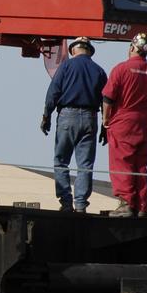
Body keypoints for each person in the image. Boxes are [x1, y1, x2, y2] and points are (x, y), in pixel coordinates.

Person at [41, 36, 108, 212]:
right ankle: (80, 205)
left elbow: (53, 93)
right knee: (85, 164)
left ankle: (66, 203)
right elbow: (107, 101)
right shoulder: (99, 71)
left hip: (67, 116)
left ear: (73, 50)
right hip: (90, 118)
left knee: (61, 161)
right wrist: (105, 126)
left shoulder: (66, 66)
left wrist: (46, 116)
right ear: (90, 51)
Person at [102, 32, 147, 216]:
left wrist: (106, 120)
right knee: (141, 163)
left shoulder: (121, 69)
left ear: (132, 47)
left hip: (123, 121)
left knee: (122, 161)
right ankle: (141, 205)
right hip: (145, 122)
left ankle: (126, 203)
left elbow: (108, 98)